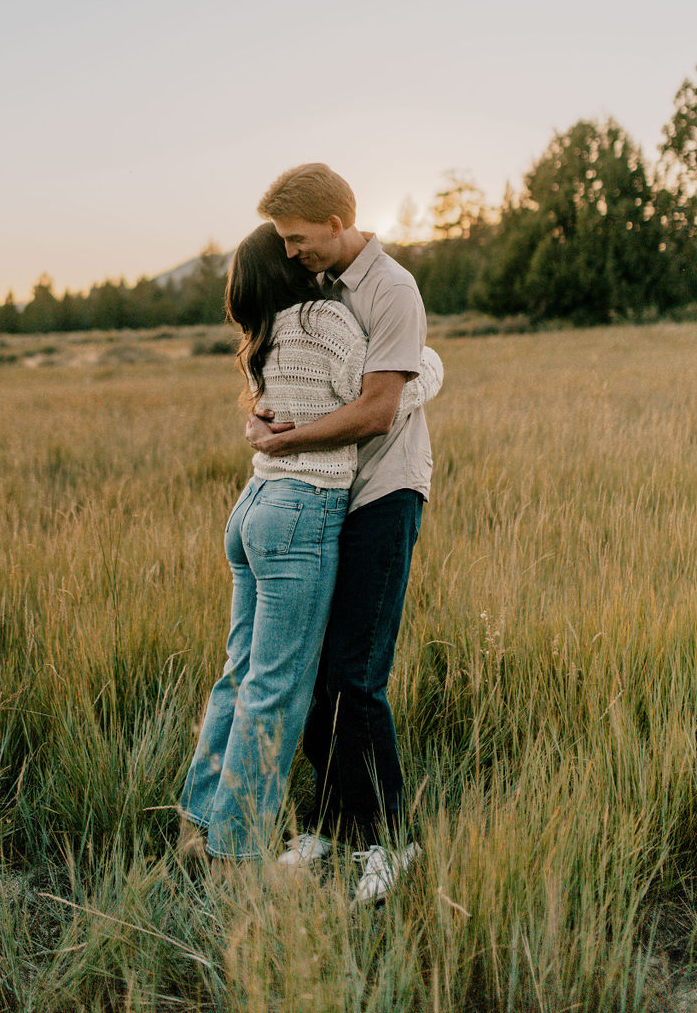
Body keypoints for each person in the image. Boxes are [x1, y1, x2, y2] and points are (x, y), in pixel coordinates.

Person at [178, 223, 439, 867]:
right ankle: (236, 849)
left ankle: (199, 820)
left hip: (253, 508)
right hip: (300, 511)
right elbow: (376, 396)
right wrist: (428, 362)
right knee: (278, 685)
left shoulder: (264, 335)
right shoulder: (323, 318)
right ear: (288, 267)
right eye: (290, 248)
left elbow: (289, 408)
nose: (301, 254)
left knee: (239, 673)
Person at [249, 162, 435, 904]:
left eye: (298, 238)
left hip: (382, 496)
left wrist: (288, 444)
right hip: (322, 499)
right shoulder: (320, 291)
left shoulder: (392, 290)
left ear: (337, 221)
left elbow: (376, 411)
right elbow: (298, 382)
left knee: (357, 675)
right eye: (282, 242)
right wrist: (264, 420)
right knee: (313, 671)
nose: (291, 253)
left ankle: (391, 841)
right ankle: (328, 819)